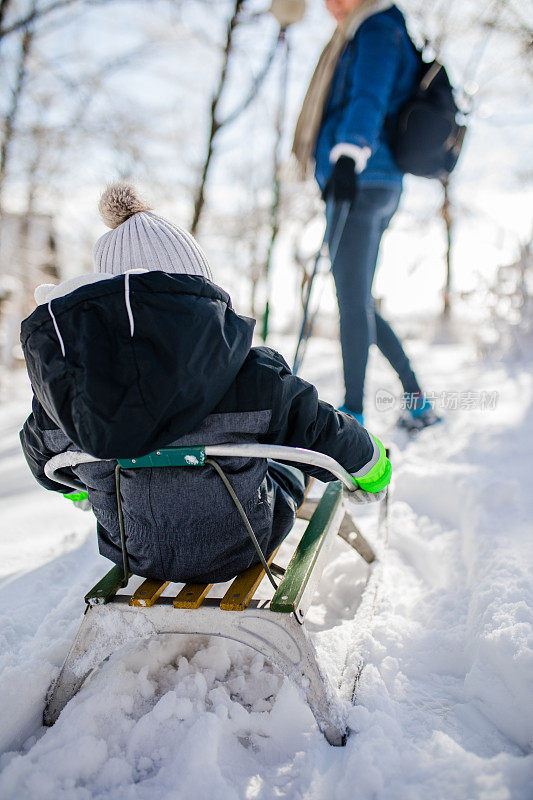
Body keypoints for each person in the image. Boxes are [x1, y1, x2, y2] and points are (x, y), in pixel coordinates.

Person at [19, 183, 391, 584]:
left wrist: (81, 491)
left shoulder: (73, 388)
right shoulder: (249, 372)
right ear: (194, 285)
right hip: (243, 544)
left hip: (131, 549)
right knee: (288, 460)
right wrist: (372, 470)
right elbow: (321, 428)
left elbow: (41, 452)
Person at [292, 0, 439, 429]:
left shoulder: (377, 27)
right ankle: (416, 402)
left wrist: (349, 153)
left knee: (351, 301)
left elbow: (369, 92)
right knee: (358, 301)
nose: (330, 6)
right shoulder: (380, 27)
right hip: (373, 179)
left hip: (361, 176)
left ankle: (352, 414)